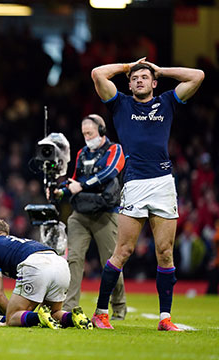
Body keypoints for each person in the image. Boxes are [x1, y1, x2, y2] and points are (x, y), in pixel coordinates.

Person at [90, 58, 204, 330]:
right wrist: (127, 66)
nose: (140, 80)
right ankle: (100, 312)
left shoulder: (166, 101)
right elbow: (97, 73)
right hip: (135, 183)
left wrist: (161, 70)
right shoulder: (121, 104)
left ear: (154, 84)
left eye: (145, 77)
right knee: (124, 251)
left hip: (164, 183)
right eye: (135, 78)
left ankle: (165, 318)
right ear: (129, 84)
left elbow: (197, 75)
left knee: (165, 253)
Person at [53, 114, 127, 319]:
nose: (87, 137)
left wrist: (81, 186)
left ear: (102, 131)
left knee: (111, 263)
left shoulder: (115, 150)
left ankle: (119, 306)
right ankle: (68, 308)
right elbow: (75, 180)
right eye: (84, 133)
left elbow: (110, 172)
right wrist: (62, 191)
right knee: (74, 259)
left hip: (105, 214)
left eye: (91, 133)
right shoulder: (82, 154)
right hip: (81, 214)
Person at [0, 219, 92, 329]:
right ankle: (73, 317)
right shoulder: (16, 242)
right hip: (60, 263)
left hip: (37, 264)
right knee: (54, 313)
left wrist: (9, 317)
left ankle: (38, 318)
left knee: (13, 317)